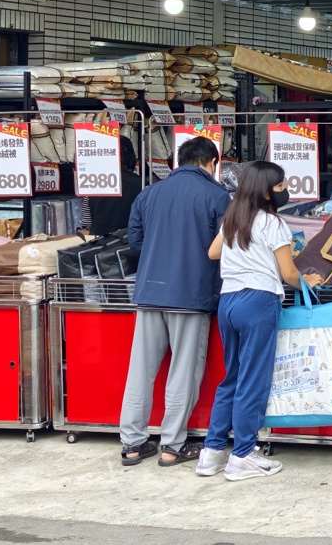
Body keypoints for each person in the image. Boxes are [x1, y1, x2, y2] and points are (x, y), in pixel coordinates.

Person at [197, 162, 320, 481]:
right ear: (266, 190)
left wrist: (242, 253)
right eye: (281, 186)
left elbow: (213, 253)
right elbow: (289, 273)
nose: (285, 191)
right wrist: (306, 282)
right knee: (253, 379)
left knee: (232, 377)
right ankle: (243, 455)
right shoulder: (272, 223)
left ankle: (212, 452)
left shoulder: (234, 218)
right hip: (258, 301)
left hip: (229, 301)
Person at [119, 136, 231, 468]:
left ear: (177, 162)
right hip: (191, 295)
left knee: (140, 371)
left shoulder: (147, 194)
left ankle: (132, 443)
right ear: (212, 162)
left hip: (150, 293)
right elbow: (224, 246)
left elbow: (135, 243)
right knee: (183, 371)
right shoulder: (216, 195)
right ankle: (172, 445)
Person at [88, 136, 143, 236]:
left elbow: (86, 222)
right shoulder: (140, 184)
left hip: (97, 241)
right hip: (127, 241)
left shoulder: (93, 181)